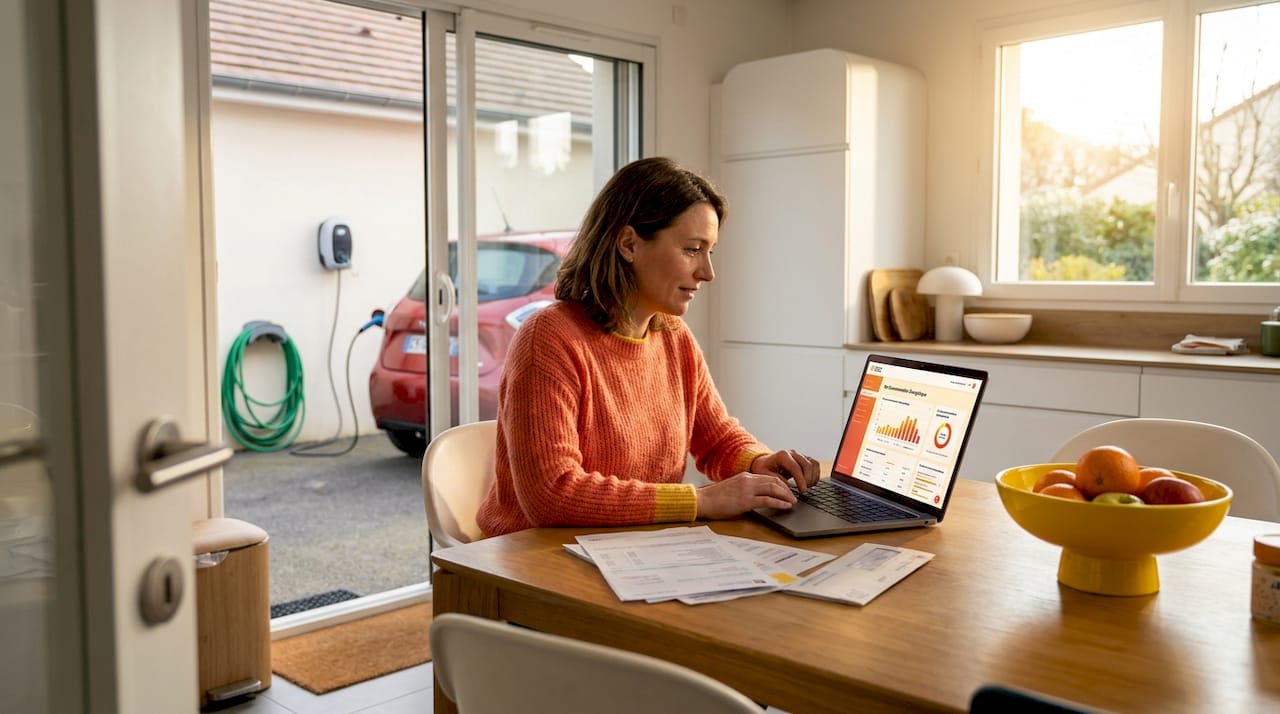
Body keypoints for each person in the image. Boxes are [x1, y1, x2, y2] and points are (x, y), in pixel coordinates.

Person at [476, 156, 821, 537]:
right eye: (692, 249)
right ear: (629, 244)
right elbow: (552, 494)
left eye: (710, 251)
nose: (707, 272)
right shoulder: (548, 339)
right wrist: (701, 501)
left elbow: (717, 438)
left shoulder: (673, 337)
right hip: (535, 554)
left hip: (635, 548)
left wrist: (758, 463)